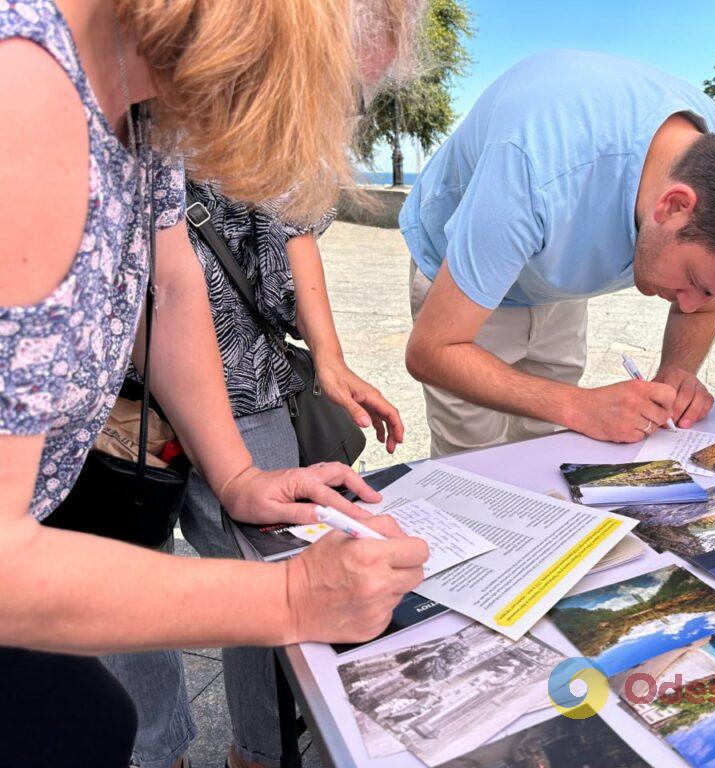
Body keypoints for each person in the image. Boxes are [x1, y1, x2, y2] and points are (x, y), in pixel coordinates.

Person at [0, 1, 427, 766]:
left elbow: (173, 278)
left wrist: (236, 475)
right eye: (322, 90)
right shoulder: (23, 92)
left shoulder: (142, 107)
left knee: (93, 720)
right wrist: (292, 599)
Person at [402, 50, 715, 457]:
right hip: (460, 271)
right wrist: (579, 406)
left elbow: (699, 311)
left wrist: (678, 372)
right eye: (696, 283)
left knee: (547, 444)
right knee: (476, 463)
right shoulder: (533, 167)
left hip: (554, 270)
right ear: (674, 205)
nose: (693, 305)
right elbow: (433, 350)